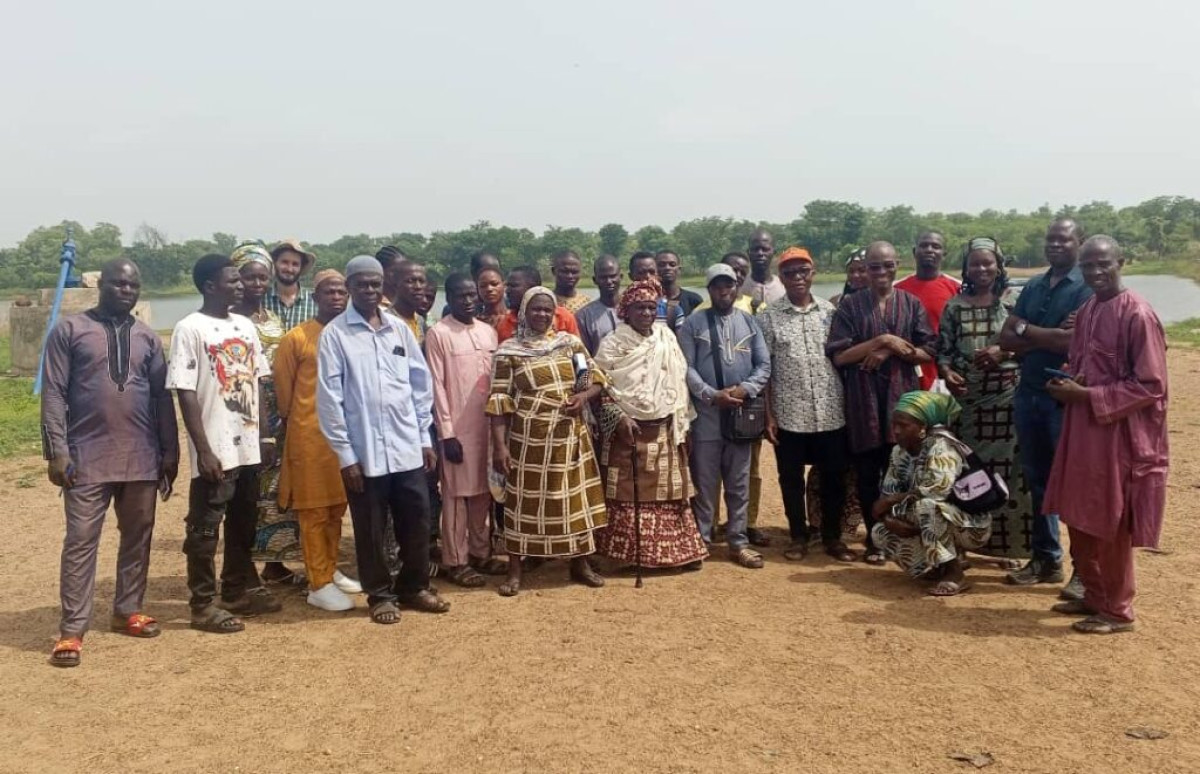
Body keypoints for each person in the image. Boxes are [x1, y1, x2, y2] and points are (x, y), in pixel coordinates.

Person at [41, 258, 179, 667]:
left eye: (133, 285)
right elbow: (53, 393)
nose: (126, 291)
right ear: (102, 284)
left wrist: (169, 451)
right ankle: (71, 630)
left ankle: (127, 610)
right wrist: (57, 450)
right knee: (81, 540)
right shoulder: (70, 330)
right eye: (119, 284)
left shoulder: (148, 338)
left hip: (140, 456)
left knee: (138, 534)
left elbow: (161, 398)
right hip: (86, 456)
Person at [1044, 236, 1168, 634]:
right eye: (1088, 266)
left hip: (1118, 434)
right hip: (1083, 428)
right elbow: (1082, 362)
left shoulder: (1138, 315)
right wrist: (1070, 382)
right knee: (1078, 510)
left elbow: (1150, 385)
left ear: (1121, 262)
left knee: (1111, 519)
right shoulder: (1090, 309)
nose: (1095, 272)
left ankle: (1118, 609)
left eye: (1103, 264)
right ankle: (1094, 595)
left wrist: (1087, 394)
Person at [317, 255, 450, 625]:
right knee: (371, 529)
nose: (369, 291)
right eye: (361, 284)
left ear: (383, 286)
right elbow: (329, 398)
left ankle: (414, 587)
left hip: (407, 446)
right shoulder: (336, 335)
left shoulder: (397, 330)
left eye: (375, 284)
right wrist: (346, 455)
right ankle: (379, 594)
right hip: (365, 454)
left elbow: (420, 385)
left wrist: (424, 436)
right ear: (349, 288)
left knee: (418, 521)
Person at [168, 254, 277, 634]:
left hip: (247, 445)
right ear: (210, 286)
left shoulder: (245, 326)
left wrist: (263, 436)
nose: (240, 285)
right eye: (232, 281)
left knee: (244, 522)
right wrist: (204, 449)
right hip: (216, 448)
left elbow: (261, 382)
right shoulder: (189, 328)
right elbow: (185, 392)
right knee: (204, 528)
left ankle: (235, 590)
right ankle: (201, 604)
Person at [487, 286, 608, 596]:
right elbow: (499, 399)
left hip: (569, 436)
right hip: (527, 439)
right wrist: (499, 447)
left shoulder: (569, 344)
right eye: (535, 309)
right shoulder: (509, 351)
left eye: (547, 309)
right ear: (524, 312)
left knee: (573, 498)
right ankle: (515, 570)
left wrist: (581, 397)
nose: (541, 314)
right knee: (522, 501)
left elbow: (594, 379)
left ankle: (580, 564)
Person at [998, 218, 1093, 595]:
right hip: (1029, 392)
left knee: (1073, 484)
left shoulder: (1088, 287)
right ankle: (1046, 558)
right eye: (1050, 239)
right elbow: (1005, 337)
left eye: (1064, 239)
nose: (1055, 245)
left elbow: (1075, 344)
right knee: (1039, 481)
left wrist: (1028, 331)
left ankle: (1084, 572)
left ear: (1079, 243)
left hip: (1064, 398)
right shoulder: (1035, 284)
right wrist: (1047, 335)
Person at [826, 241, 936, 565]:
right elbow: (839, 355)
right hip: (863, 403)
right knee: (866, 474)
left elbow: (929, 351)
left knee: (902, 472)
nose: (881, 272)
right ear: (866, 270)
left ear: (896, 265)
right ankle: (875, 540)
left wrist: (892, 350)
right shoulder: (850, 306)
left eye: (887, 265)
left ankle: (905, 536)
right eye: (874, 266)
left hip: (902, 402)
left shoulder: (911, 304)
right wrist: (880, 340)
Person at [594, 279, 708, 571]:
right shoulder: (613, 343)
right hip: (626, 430)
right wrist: (619, 417)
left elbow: (679, 381)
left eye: (650, 307)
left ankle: (677, 553)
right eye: (639, 308)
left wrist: (684, 423)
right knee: (626, 494)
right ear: (626, 311)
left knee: (671, 491)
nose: (646, 313)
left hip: (664, 427)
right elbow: (598, 386)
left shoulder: (666, 337)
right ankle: (631, 556)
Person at [937, 237, 1033, 560]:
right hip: (969, 405)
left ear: (999, 266)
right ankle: (968, 543)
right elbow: (944, 354)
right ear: (965, 268)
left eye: (988, 262)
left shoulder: (1014, 303)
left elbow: (1030, 344)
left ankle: (1014, 549)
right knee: (968, 472)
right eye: (975, 263)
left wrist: (1001, 350)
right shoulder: (954, 306)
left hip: (1007, 402)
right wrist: (947, 374)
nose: (982, 269)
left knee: (1011, 474)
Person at [273, 269, 363, 612]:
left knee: (336, 509)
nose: (337, 298)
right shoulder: (296, 339)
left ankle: (329, 568)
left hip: (345, 440)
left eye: (342, 292)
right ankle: (318, 583)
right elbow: (284, 399)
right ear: (315, 297)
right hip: (309, 438)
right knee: (313, 512)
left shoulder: (352, 335)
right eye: (329, 292)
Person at [759, 248, 856, 563]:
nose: (798, 278)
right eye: (789, 273)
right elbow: (766, 370)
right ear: (782, 278)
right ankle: (798, 535)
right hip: (790, 413)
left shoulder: (830, 312)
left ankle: (831, 536)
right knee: (790, 479)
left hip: (830, 409)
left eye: (803, 271)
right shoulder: (769, 317)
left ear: (813, 273)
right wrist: (769, 414)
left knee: (833, 476)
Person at [680, 264, 772, 569]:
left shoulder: (749, 322)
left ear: (737, 287)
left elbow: (764, 365)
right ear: (709, 289)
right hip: (706, 417)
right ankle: (702, 542)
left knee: (739, 483)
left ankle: (738, 542)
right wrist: (710, 394)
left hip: (741, 416)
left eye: (729, 286)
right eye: (718, 286)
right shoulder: (693, 324)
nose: (724, 291)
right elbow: (686, 368)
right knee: (705, 485)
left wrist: (745, 390)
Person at [425, 274, 507, 586]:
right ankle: (456, 561)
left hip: (487, 428)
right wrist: (446, 433)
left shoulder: (488, 333)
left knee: (483, 494)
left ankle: (479, 553)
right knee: (456, 497)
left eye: (473, 294)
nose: (469, 300)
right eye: (462, 295)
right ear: (451, 297)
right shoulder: (439, 333)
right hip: (457, 431)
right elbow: (435, 385)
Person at [230, 243, 303, 586]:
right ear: (236, 279)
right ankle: (241, 568)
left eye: (262, 277)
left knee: (276, 489)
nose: (257, 284)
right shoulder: (230, 321)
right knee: (246, 494)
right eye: (249, 277)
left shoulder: (270, 319)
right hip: (243, 414)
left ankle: (275, 563)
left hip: (276, 414)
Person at [870, 392, 992, 596]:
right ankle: (938, 564)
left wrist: (891, 501)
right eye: (894, 425)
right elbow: (889, 491)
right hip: (933, 517)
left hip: (970, 526)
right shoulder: (898, 452)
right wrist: (888, 518)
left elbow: (936, 491)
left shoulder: (942, 447)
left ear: (922, 428)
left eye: (903, 425)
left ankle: (955, 573)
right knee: (880, 532)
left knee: (927, 506)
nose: (897, 431)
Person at [895, 231, 961, 389]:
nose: (929, 250)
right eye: (924, 245)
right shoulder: (896, 289)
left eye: (936, 246)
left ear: (944, 253)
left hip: (948, 372)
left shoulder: (959, 288)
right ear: (914, 251)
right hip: (907, 370)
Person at [495, 265, 580, 342]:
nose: (507, 291)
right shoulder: (506, 323)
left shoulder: (562, 317)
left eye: (514, 286)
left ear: (532, 287)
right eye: (508, 286)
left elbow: (577, 352)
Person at [266, 238, 318, 330]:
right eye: (284, 262)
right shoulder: (262, 299)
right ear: (274, 264)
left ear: (301, 268)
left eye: (295, 264)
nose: (289, 269)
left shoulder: (315, 301)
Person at [576, 254, 623, 354]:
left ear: (621, 277)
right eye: (603, 277)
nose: (609, 281)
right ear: (595, 280)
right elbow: (585, 354)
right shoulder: (584, 316)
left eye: (613, 276)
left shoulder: (635, 309)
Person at [629, 251, 685, 330]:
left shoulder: (672, 310)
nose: (647, 277)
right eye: (641, 272)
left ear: (657, 274)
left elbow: (680, 341)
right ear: (631, 276)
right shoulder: (622, 309)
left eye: (651, 272)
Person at [382, 256, 429, 344]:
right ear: (396, 284)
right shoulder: (386, 321)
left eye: (422, 281)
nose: (418, 287)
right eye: (410, 281)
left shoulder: (420, 321)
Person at [741, 228, 786, 310]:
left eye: (765, 249)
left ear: (774, 252)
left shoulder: (785, 287)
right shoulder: (738, 287)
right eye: (755, 249)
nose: (760, 253)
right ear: (748, 252)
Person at [655, 250, 703, 316]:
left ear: (679, 270)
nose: (667, 268)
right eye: (662, 265)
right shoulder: (648, 300)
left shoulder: (694, 300)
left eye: (672, 264)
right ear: (654, 269)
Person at [551, 249, 591, 314]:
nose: (570, 276)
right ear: (553, 271)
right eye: (565, 271)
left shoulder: (586, 303)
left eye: (574, 272)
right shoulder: (546, 300)